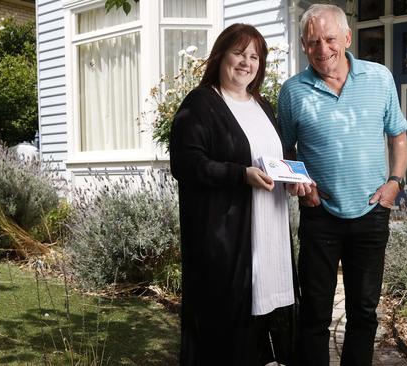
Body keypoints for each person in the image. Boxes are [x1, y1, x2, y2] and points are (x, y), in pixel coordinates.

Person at [277, 4, 407, 366]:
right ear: (304, 46)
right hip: (320, 216)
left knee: (364, 314)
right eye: (313, 42)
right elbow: (286, 152)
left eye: (330, 39)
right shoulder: (292, 92)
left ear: (347, 38)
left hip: (371, 212)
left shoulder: (379, 78)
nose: (323, 49)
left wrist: (394, 183)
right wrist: (302, 185)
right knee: (315, 314)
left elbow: (398, 134)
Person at [169, 23, 297, 366]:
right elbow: (186, 163)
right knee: (228, 320)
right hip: (225, 235)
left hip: (269, 230)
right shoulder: (201, 103)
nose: (246, 62)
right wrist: (240, 175)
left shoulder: (262, 105)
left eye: (254, 56)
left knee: (267, 308)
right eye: (239, 53)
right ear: (221, 56)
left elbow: (280, 154)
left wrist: (295, 176)